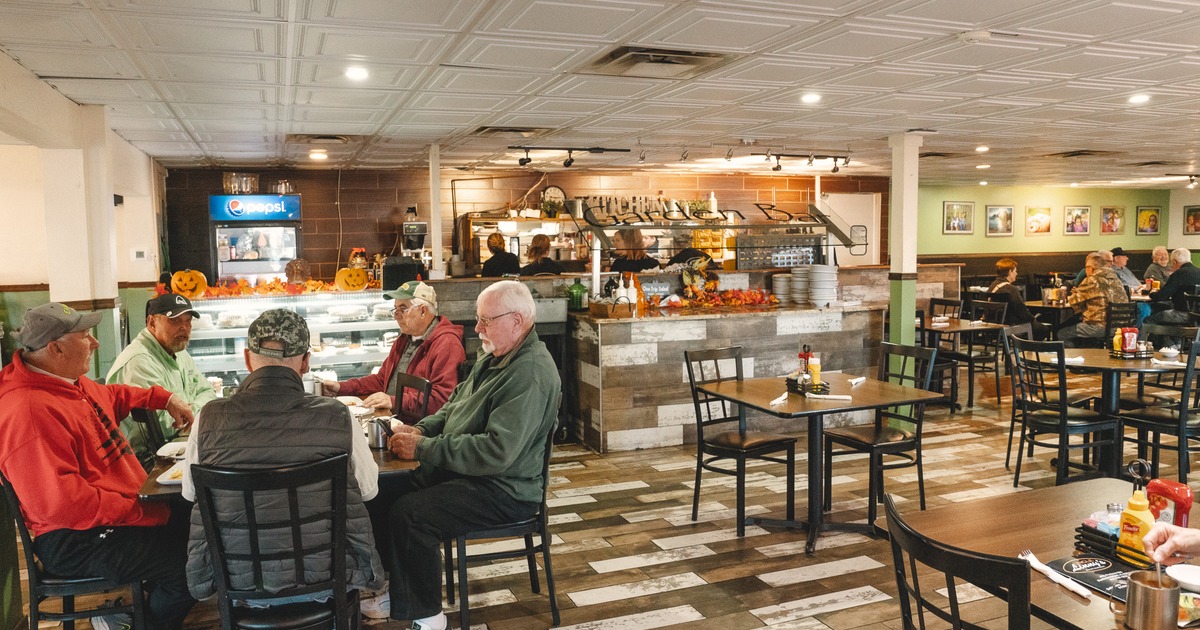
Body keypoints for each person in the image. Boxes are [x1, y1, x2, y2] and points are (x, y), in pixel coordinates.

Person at [362, 281, 560, 629]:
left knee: (412, 515)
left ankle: (428, 617)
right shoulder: (496, 355)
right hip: (472, 474)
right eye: (478, 319)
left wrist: (423, 447)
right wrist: (423, 430)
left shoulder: (529, 372)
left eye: (485, 320)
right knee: (378, 492)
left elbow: (497, 451)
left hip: (505, 489)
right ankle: (397, 587)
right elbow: (453, 406)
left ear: (516, 320)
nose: (478, 328)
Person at [0, 303, 197, 630]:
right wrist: (144, 511)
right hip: (75, 539)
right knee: (192, 568)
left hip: (110, 516)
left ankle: (130, 609)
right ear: (57, 348)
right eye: (85, 336)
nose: (96, 343)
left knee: (200, 528)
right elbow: (65, 504)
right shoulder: (28, 413)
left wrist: (163, 398)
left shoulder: (68, 382)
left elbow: (113, 395)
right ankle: (134, 623)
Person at [181, 309, 385, 606]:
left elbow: (189, 493)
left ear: (247, 358)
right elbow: (369, 490)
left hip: (241, 584)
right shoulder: (339, 416)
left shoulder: (208, 418)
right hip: (325, 582)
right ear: (305, 362)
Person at [322, 281, 464, 424]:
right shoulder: (405, 339)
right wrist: (341, 387)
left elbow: (442, 401)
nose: (396, 316)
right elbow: (382, 380)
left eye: (403, 309)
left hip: (419, 429)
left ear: (423, 311)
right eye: (395, 309)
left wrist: (392, 401)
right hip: (393, 418)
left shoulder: (447, 344)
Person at [106, 293, 216, 470]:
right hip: (146, 462)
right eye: (174, 321)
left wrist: (190, 410)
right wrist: (199, 409)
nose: (184, 328)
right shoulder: (139, 361)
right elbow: (166, 426)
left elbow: (208, 391)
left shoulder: (177, 349)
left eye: (188, 321)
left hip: (174, 448)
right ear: (152, 323)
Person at [1058, 252, 1129, 345]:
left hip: (1100, 327)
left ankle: (1074, 358)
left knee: (1062, 333)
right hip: (1121, 327)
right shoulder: (1116, 279)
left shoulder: (1092, 279)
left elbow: (1073, 301)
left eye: (1086, 268)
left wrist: (1075, 292)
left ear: (1090, 268)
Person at [987, 258, 1048, 339]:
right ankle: (1027, 347)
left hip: (995, 323)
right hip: (1011, 325)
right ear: (1010, 272)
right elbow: (1021, 310)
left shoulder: (992, 286)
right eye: (1015, 271)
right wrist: (1032, 318)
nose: (1016, 273)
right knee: (1043, 329)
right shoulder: (1011, 289)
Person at [1146, 248, 1200, 325]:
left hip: (1183, 315)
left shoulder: (1178, 274)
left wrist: (1152, 293)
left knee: (1149, 320)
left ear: (1174, 262)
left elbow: (1162, 296)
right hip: (1198, 316)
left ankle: (1143, 337)